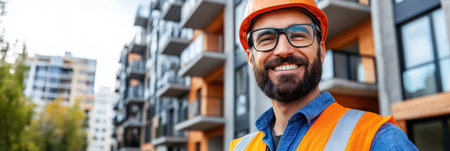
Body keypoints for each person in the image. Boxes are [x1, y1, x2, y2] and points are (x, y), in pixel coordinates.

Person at [229, 0, 418, 150]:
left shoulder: (376, 140)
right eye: (266, 38)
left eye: (298, 35)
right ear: (251, 58)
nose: (283, 50)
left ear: (321, 50)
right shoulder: (240, 148)